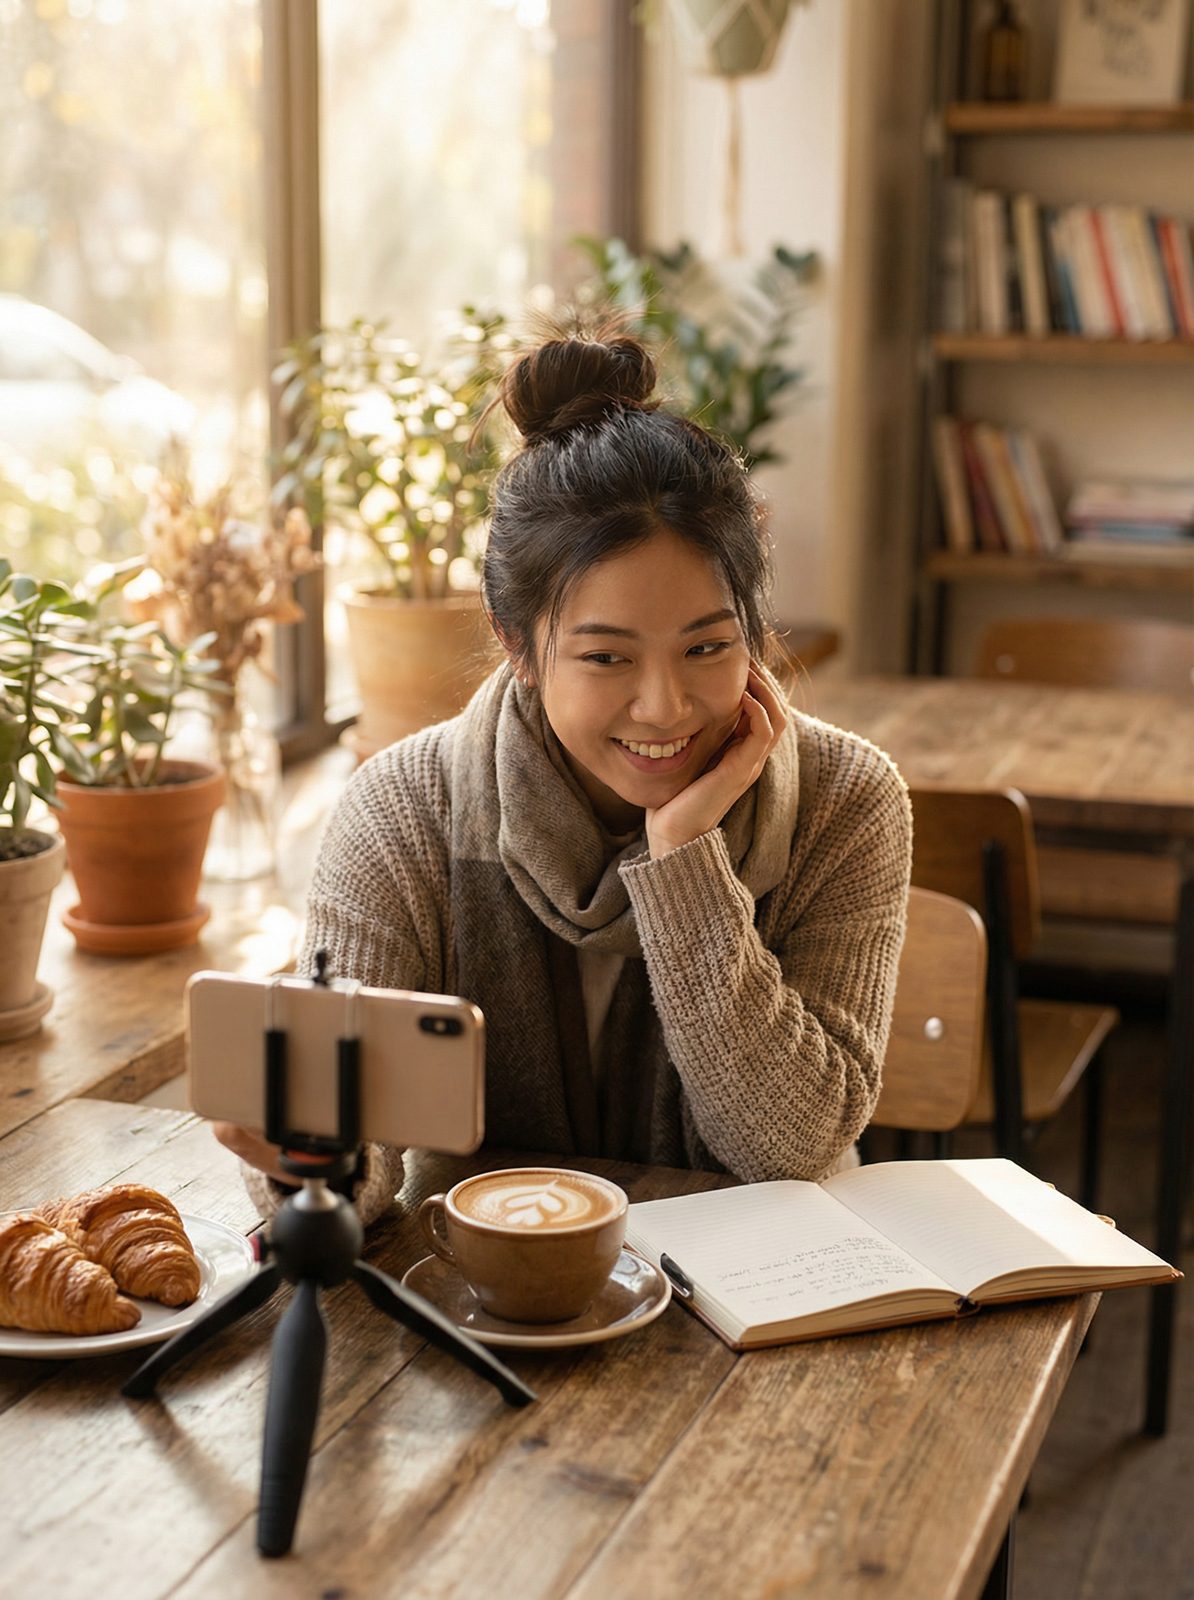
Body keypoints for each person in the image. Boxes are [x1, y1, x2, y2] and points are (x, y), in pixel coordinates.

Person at [215, 327, 912, 1225]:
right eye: (607, 659)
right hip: (488, 1302)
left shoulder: (846, 801)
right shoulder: (405, 811)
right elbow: (358, 1164)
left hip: (763, 1322)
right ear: (520, 650)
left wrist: (684, 859)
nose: (665, 707)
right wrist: (309, 1162)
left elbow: (794, 1147)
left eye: (708, 645)